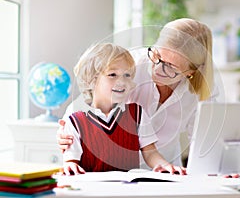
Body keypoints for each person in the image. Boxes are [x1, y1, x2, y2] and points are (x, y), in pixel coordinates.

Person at [58, 18, 218, 169]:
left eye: (171, 67)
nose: (157, 69)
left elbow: (205, 144)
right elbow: (90, 100)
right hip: (116, 167)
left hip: (164, 168)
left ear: (190, 72)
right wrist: (69, 129)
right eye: (157, 55)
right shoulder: (129, 65)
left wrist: (217, 174)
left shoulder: (202, 90)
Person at [62, 42, 186, 175]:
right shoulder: (75, 119)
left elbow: (151, 154)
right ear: (92, 80)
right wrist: (69, 165)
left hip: (128, 189)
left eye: (127, 75)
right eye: (112, 75)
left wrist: (165, 165)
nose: (122, 81)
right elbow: (71, 161)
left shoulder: (137, 113)